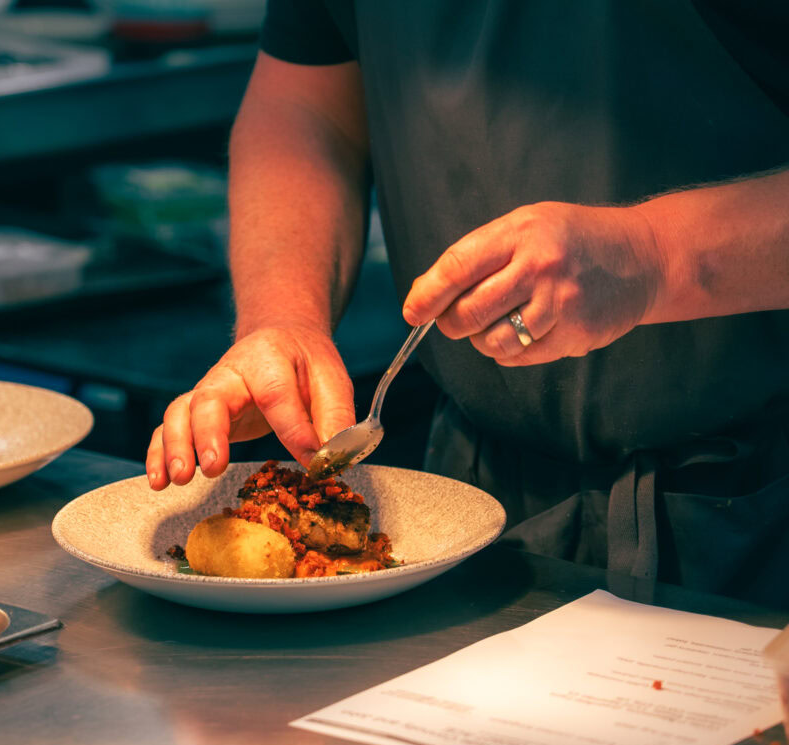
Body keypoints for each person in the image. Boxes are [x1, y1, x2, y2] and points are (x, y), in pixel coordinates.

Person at [145, 1, 789, 607]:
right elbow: (307, 105)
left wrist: (656, 256)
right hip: (477, 498)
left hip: (758, 510)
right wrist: (283, 315)